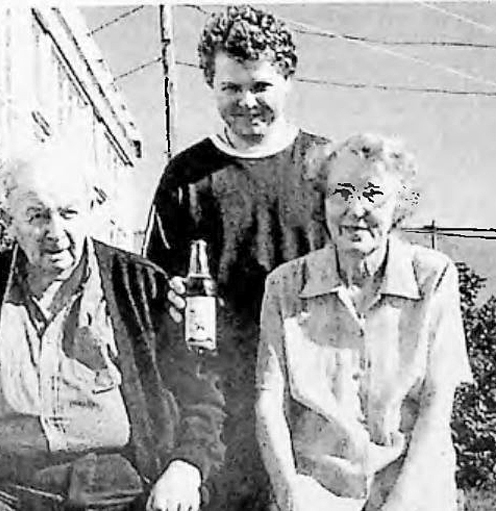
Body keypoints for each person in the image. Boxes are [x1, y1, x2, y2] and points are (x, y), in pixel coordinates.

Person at [0, 135, 225, 511]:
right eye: (37, 215)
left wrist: (186, 467)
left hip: (122, 491)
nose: (56, 233)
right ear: (9, 222)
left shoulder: (142, 286)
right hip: (10, 491)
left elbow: (202, 394)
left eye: (69, 213)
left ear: (91, 210)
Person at [144, 5, 328, 510]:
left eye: (260, 86)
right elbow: (154, 294)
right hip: (223, 405)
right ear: (211, 85)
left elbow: (403, 204)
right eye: (231, 88)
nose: (247, 102)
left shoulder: (326, 165)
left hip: (314, 398)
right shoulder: (186, 177)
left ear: (288, 81)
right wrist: (169, 298)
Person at [255, 133, 473, 511]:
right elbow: (268, 400)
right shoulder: (285, 285)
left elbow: (437, 405)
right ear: (322, 202)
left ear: (398, 206)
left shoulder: (433, 277)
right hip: (318, 491)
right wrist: (289, 493)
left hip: (413, 484)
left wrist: (401, 503)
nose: (355, 209)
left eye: (373, 195)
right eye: (340, 194)